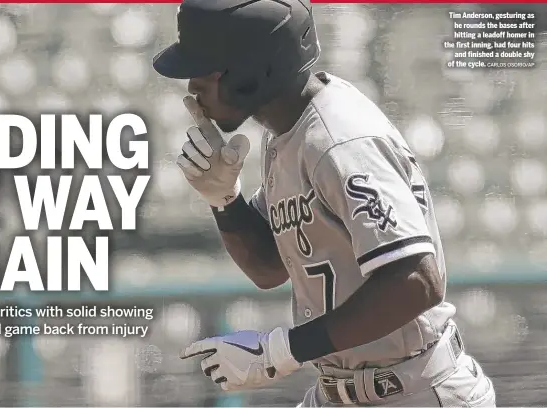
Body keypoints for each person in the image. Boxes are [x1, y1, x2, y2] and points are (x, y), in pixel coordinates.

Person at [151, 0, 496, 407]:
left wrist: (283, 350)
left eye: (204, 71)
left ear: (250, 70)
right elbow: (269, 267)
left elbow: (417, 282)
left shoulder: (339, 140)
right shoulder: (287, 131)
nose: (192, 87)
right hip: (344, 391)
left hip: (413, 391)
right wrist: (225, 200)